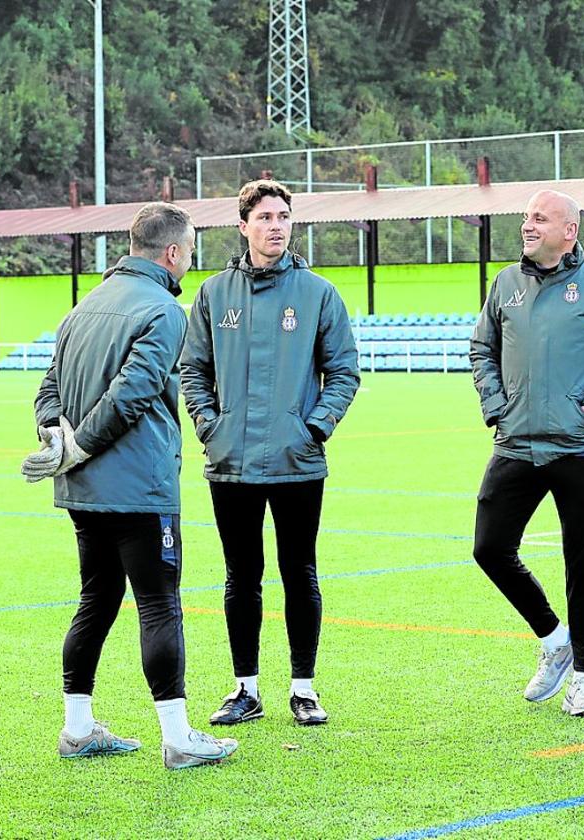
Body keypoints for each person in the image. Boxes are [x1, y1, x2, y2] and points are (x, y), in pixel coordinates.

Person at [25, 202, 237, 770]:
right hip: (139, 487)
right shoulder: (166, 312)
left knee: (95, 599)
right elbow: (132, 393)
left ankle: (77, 729)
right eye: (190, 252)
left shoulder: (83, 308)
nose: (189, 262)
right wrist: (80, 443)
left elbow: (48, 387)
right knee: (159, 604)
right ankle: (178, 737)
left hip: (82, 489)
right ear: (172, 253)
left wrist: (57, 440)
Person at [180, 179, 360, 728]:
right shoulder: (213, 294)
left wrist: (315, 428)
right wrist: (210, 426)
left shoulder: (318, 293)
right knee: (241, 576)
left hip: (297, 461)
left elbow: (344, 371)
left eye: (283, 216)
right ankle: (246, 689)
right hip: (230, 462)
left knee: (300, 572)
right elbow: (193, 369)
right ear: (243, 226)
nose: (275, 225)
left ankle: (304, 689)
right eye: (264, 217)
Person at [470, 190, 584, 718]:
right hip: (517, 442)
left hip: (582, 446)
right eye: (526, 217)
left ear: (569, 231)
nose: (527, 226)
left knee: (583, 563)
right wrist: (495, 404)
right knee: (490, 548)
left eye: (539, 218)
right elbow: (482, 347)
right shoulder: (505, 284)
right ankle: (553, 637)